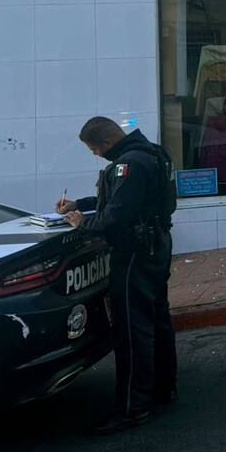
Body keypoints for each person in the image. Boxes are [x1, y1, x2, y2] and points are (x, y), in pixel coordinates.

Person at [56, 117, 177, 434]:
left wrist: (82, 222)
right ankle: (164, 388)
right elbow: (131, 199)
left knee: (133, 329)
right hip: (158, 245)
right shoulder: (152, 153)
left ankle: (132, 408)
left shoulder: (128, 165)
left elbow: (115, 216)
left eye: (94, 148)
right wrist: (80, 203)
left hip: (135, 253)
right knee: (157, 318)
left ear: (106, 141)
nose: (96, 154)